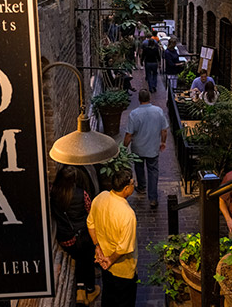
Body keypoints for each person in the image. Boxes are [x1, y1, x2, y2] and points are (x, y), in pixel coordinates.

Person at [87, 168, 137, 307]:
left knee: (108, 299)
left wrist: (97, 247)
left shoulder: (101, 197)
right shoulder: (128, 214)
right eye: (132, 183)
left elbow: (90, 223)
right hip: (122, 270)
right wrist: (110, 260)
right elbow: (124, 248)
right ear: (126, 188)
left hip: (104, 263)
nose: (134, 185)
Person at [51, 166, 100, 305]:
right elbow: (90, 212)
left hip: (65, 238)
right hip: (82, 236)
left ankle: (79, 290)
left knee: (78, 261)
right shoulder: (82, 194)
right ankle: (90, 290)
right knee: (88, 261)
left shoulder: (54, 193)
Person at [123, 89, 169, 208]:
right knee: (153, 172)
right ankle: (153, 198)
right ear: (149, 98)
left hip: (138, 148)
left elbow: (129, 134)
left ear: (139, 99)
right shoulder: (158, 111)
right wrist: (163, 142)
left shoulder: (134, 114)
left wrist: (124, 147)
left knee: (139, 167)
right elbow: (164, 130)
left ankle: (142, 187)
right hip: (152, 149)